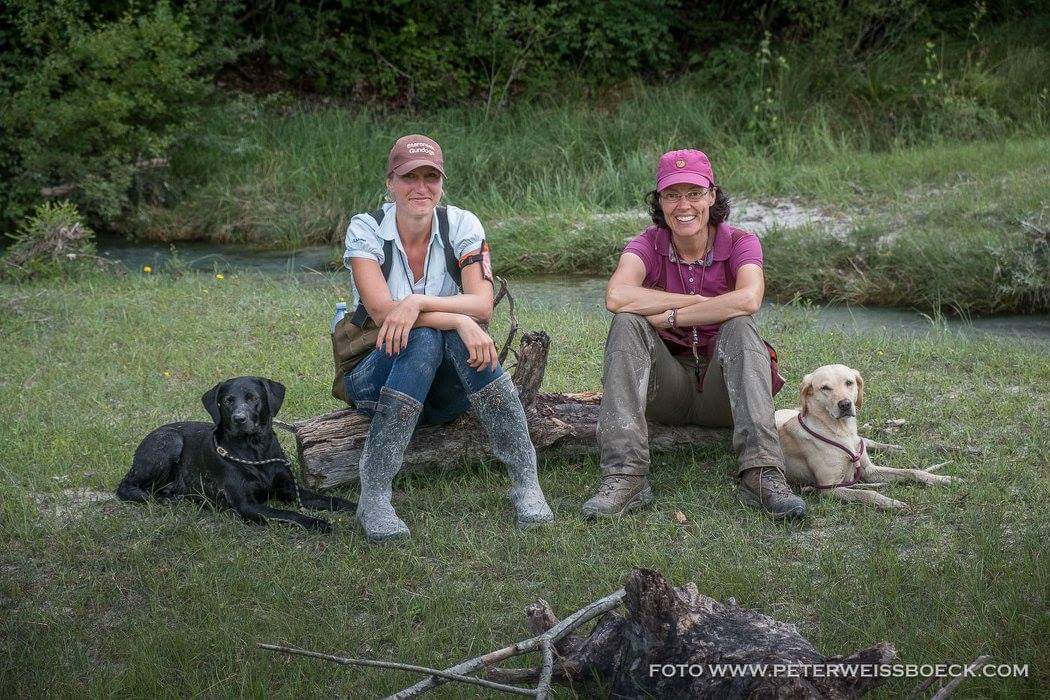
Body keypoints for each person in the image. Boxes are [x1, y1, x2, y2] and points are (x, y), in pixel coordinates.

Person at [342, 134, 554, 541]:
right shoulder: (365, 228)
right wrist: (457, 318)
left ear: (441, 182)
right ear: (390, 182)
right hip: (375, 377)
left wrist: (421, 304)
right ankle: (375, 496)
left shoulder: (462, 223)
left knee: (454, 335)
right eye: (409, 177)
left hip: (444, 392)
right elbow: (385, 312)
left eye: (430, 177)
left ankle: (526, 483)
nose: (420, 188)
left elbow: (483, 305)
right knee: (424, 339)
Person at [580, 149, 806, 520]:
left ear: (712, 196)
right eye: (672, 195)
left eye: (694, 193)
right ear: (660, 202)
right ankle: (625, 475)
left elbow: (748, 299)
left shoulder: (741, 242)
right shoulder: (647, 244)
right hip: (668, 390)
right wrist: (693, 302)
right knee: (626, 322)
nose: (683, 205)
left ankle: (763, 473)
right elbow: (616, 296)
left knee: (739, 324)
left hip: (724, 391)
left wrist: (667, 317)